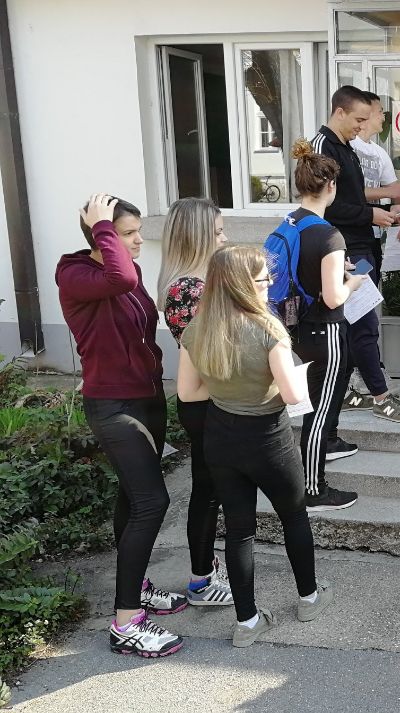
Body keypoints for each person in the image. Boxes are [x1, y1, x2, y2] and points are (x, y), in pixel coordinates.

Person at [177, 245, 332, 648]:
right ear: (243, 285)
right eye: (264, 279)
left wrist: (227, 387)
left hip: (220, 438)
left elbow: (188, 393)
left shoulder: (197, 329)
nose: (269, 285)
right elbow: (293, 394)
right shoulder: (268, 329)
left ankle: (246, 622)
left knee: (239, 530)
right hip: (268, 439)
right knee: (293, 517)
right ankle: (309, 598)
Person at [57, 193, 185, 657]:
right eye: (127, 233)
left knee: (132, 496)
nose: (137, 241)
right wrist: (103, 228)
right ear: (101, 236)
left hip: (147, 398)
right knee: (153, 501)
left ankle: (138, 587)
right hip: (112, 404)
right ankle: (126, 622)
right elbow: (122, 277)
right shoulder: (74, 273)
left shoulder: (123, 271)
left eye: (137, 232)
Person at [311, 85, 400, 424]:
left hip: (361, 245)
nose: (362, 126)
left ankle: (348, 392)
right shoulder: (322, 147)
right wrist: (371, 214)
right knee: (364, 324)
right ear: (339, 112)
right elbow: (324, 206)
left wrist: (383, 212)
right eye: (358, 119)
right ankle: (380, 397)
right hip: (342, 250)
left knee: (356, 324)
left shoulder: (347, 147)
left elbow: (353, 198)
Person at [156, 197, 234, 608]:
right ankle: (201, 580)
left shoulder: (195, 283)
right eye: (217, 232)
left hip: (210, 400)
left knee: (212, 489)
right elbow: (210, 355)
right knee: (208, 490)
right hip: (206, 402)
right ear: (197, 237)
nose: (224, 238)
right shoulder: (189, 289)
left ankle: (207, 569)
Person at [285, 139, 366, 511]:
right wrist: (353, 282)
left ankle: (317, 465)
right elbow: (334, 298)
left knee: (315, 406)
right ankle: (314, 490)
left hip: (298, 327)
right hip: (325, 329)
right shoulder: (330, 234)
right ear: (331, 186)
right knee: (318, 413)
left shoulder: (292, 222)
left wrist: (335, 271)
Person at [342, 90, 400, 414]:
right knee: (362, 318)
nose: (384, 117)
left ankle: (357, 383)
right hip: (350, 247)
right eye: (379, 111)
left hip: (370, 244)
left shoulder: (378, 152)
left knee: (362, 314)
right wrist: (387, 194)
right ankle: (377, 393)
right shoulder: (345, 148)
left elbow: (396, 192)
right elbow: (345, 194)